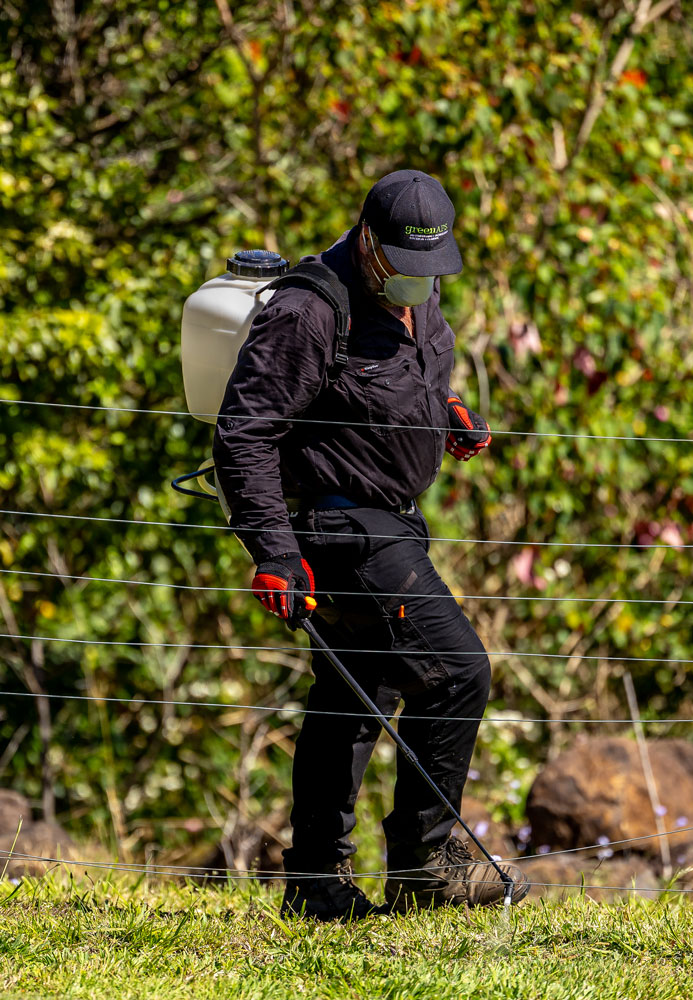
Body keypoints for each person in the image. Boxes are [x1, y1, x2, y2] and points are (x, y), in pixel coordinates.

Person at [213, 169, 529, 921]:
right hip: (339, 526)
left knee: (354, 697)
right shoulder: (308, 310)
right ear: (367, 240)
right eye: (405, 266)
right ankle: (426, 865)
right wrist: (273, 554)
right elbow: (245, 432)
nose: (419, 283)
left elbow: (406, 373)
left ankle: (317, 883)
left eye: (432, 269)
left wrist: (446, 410)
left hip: (391, 516)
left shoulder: (415, 287)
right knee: (457, 672)